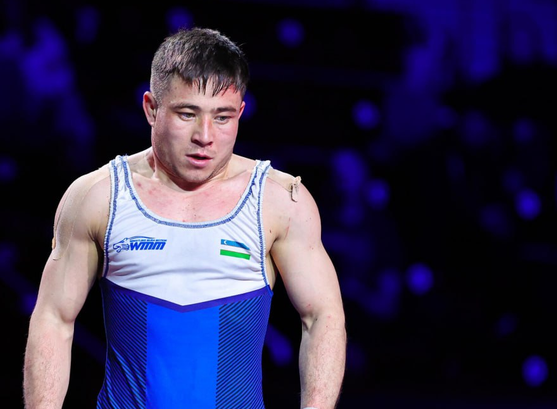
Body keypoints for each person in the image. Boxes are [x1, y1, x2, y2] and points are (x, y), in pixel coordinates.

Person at [23, 27, 346, 409]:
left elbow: (323, 316)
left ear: (241, 113)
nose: (204, 136)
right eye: (187, 114)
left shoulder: (279, 201)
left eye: (222, 117)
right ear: (151, 108)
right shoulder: (98, 197)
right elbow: (54, 318)